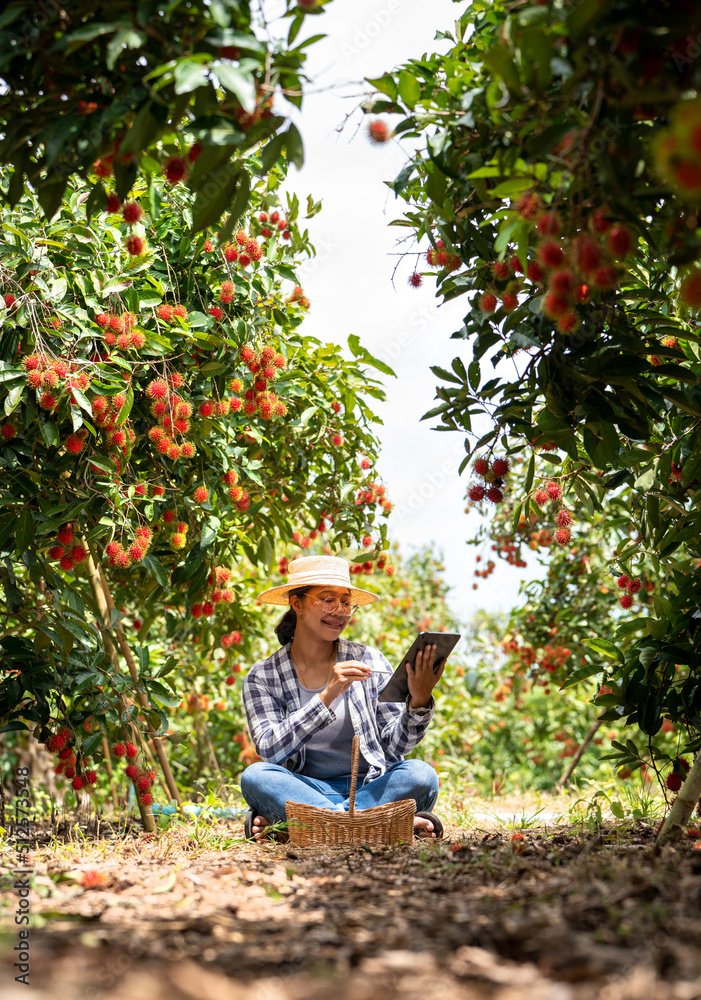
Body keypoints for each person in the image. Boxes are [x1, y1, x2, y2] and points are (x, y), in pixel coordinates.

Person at [240, 554, 446, 843]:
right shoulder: (263, 676)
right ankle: (378, 823)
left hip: (370, 786)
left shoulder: (369, 659)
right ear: (296, 603)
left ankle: (312, 825)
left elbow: (396, 746)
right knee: (257, 776)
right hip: (303, 788)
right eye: (327, 599)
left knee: (420, 775)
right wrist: (326, 695)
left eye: (346, 602)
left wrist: (419, 703)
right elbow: (270, 750)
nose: (340, 611)